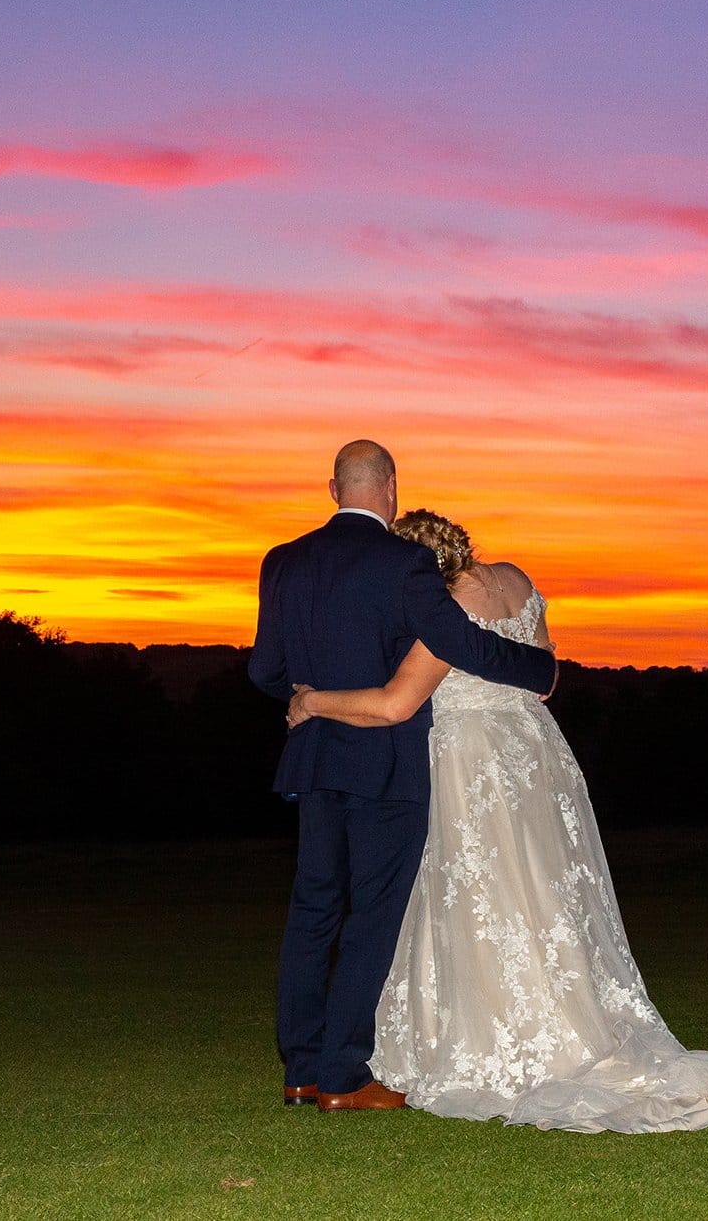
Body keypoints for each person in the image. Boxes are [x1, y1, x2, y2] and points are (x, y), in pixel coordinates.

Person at [286, 510, 708, 1133]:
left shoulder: (442, 614)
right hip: (534, 757)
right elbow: (546, 674)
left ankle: (498, 1035)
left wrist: (312, 701)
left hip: (469, 763)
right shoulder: (514, 580)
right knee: (545, 896)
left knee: (482, 896)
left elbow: (397, 702)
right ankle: (568, 1016)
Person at [248, 443, 558, 1112]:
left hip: (314, 757)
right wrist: (540, 670)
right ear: (389, 487)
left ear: (333, 487)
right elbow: (460, 642)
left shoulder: (283, 560)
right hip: (384, 762)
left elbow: (263, 671)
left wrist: (304, 694)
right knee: (372, 914)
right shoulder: (404, 561)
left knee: (312, 911)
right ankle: (341, 1075)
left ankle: (299, 1070)